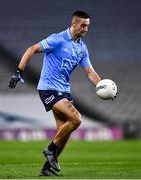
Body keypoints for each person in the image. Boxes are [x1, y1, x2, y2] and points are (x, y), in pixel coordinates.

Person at [9, 10, 101, 176]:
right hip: (48, 88)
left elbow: (89, 72)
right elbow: (31, 49)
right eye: (83, 25)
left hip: (64, 91)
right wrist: (19, 71)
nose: (86, 29)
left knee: (63, 134)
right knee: (76, 119)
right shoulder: (57, 39)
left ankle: (46, 168)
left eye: (88, 26)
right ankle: (50, 150)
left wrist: (102, 86)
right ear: (74, 24)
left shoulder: (82, 48)